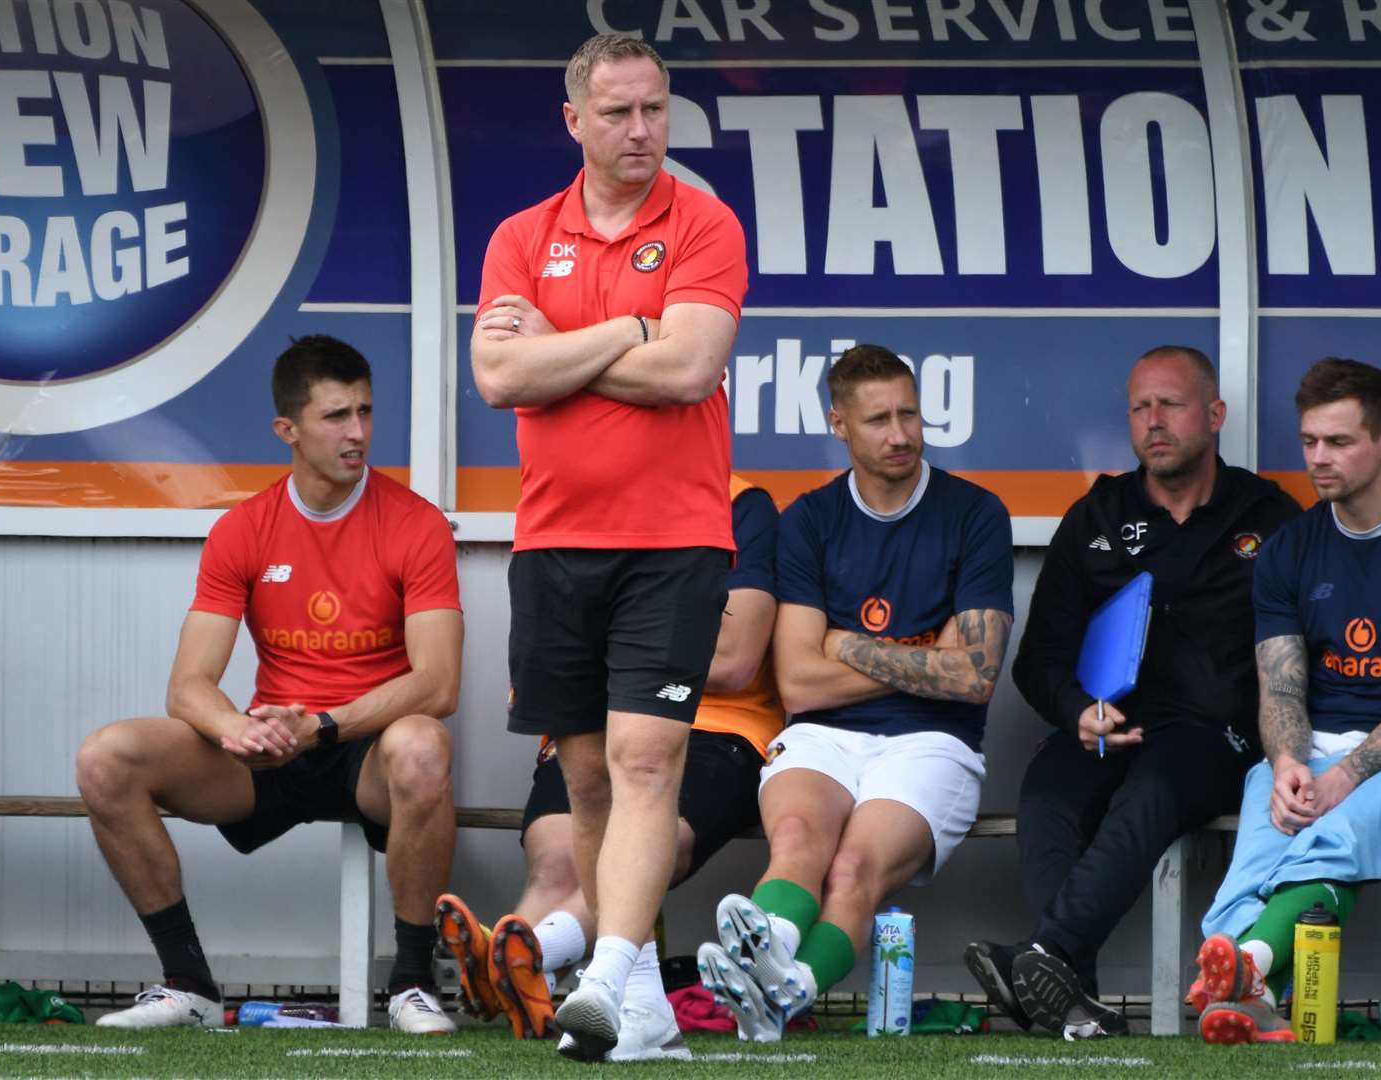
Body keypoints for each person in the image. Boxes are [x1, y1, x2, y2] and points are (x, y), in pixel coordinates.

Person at [468, 30, 749, 1062]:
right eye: (620, 112)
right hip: (552, 541)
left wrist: (557, 347)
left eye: (655, 110)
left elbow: (688, 372)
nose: (641, 132)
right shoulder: (517, 234)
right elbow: (497, 381)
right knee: (585, 776)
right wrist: (630, 329)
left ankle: (607, 977)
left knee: (644, 756)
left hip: (673, 539)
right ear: (574, 120)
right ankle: (648, 1011)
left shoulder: (705, 223)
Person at [74, 335, 463, 1034]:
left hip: (362, 745)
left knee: (424, 745)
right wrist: (236, 729)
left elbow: (437, 683)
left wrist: (326, 723)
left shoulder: (417, 524)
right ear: (287, 430)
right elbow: (188, 684)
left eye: (367, 412)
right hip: (268, 747)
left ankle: (411, 986)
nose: (359, 433)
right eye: (337, 416)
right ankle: (187, 985)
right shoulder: (243, 528)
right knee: (106, 758)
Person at [963, 346, 1299, 1038]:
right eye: (1139, 407)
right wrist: (1075, 713)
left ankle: (1046, 956)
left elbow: (1303, 650)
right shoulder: (1098, 515)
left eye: (1170, 404)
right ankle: (1073, 1000)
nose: (1153, 421)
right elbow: (1039, 658)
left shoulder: (1269, 516)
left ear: (1213, 415)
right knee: (1047, 794)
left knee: (1149, 793)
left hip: (1212, 736)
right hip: (1106, 723)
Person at [693, 344, 1015, 1042]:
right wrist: (926, 655)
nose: (899, 435)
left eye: (908, 415)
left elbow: (974, 677)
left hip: (934, 742)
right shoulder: (808, 518)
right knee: (798, 838)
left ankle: (782, 986)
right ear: (839, 424)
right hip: (824, 733)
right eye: (877, 420)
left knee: (854, 867)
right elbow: (800, 684)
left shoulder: (975, 513)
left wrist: (842, 643)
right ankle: (772, 960)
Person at [1191, 357, 1381, 1045]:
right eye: (1308, 442)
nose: (1317, 459)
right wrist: (1287, 763)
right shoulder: (1289, 549)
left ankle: (1250, 965)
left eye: (1338, 442)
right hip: (1313, 748)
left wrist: (1342, 778)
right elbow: (1282, 686)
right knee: (1259, 841)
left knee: (1343, 833)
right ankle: (1250, 1000)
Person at [434, 476, 783, 1061]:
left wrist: (624, 645)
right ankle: (522, 968)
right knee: (555, 860)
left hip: (717, 727)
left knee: (654, 836)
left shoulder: (739, 502)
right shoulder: (572, 494)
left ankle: (531, 956)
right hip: (597, 720)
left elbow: (734, 657)